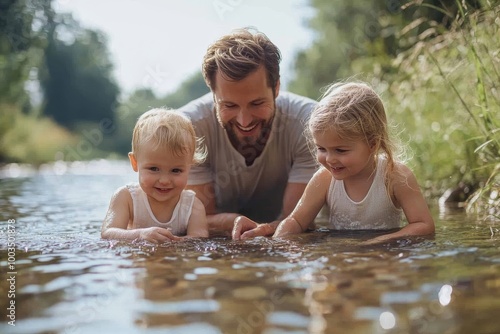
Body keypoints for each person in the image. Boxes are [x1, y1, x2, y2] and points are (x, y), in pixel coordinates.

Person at [178, 27, 318, 240]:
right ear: (213, 94)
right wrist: (233, 222)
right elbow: (199, 221)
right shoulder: (189, 128)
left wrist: (262, 233)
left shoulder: (310, 124)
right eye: (230, 105)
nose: (244, 121)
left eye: (257, 103)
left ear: (277, 87)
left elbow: (295, 221)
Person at [273, 81, 435, 244]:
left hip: (385, 254)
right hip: (342, 255)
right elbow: (296, 221)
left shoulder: (395, 176)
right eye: (321, 149)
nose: (329, 159)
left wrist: (381, 241)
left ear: (373, 144)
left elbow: (424, 225)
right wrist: (280, 243)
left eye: (340, 150)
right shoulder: (323, 179)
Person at [101, 108, 208, 243]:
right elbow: (108, 232)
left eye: (176, 170)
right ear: (135, 163)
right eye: (153, 168)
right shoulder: (126, 197)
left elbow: (199, 239)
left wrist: (174, 242)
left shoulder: (193, 206)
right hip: (138, 261)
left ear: (189, 167)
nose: (164, 180)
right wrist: (140, 235)